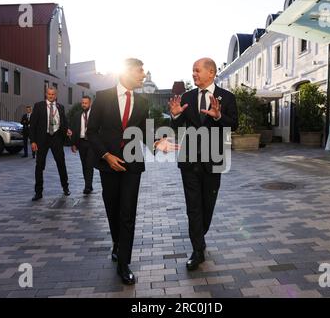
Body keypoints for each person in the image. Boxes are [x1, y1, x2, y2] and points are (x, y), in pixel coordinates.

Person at [87, 58, 177, 285]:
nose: (144, 76)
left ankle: (124, 263)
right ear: (126, 72)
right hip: (108, 163)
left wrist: (157, 143)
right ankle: (117, 243)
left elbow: (143, 132)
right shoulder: (102, 97)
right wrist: (106, 155)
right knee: (112, 208)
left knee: (127, 213)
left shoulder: (143, 102)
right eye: (140, 71)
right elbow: (91, 132)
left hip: (132, 165)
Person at [169, 57, 238, 271]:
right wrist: (174, 115)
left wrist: (218, 116)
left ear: (211, 72)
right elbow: (177, 127)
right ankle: (197, 250)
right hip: (189, 161)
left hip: (213, 161)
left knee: (207, 206)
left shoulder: (226, 98)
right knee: (193, 207)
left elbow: (233, 124)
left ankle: (200, 235)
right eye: (192, 71)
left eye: (197, 70)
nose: (194, 74)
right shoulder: (187, 97)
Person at [29, 87, 73, 201]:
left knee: (61, 163)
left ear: (56, 95)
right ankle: (38, 192)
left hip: (56, 138)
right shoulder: (39, 106)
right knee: (39, 165)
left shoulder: (60, 107)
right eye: (49, 94)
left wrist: (67, 129)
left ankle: (65, 187)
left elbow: (64, 121)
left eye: (53, 94)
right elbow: (33, 125)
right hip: (43, 139)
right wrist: (33, 141)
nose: (51, 96)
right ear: (46, 94)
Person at [70, 96, 95, 195]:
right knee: (84, 164)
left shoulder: (94, 115)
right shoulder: (77, 115)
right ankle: (88, 184)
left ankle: (87, 186)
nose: (84, 105)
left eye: (86, 103)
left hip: (91, 143)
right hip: (81, 142)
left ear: (90, 103)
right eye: (83, 103)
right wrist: (73, 144)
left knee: (89, 164)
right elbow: (73, 130)